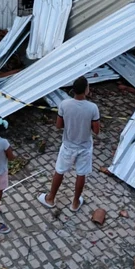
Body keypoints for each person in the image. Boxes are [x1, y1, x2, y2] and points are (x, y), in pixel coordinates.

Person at [38, 76, 100, 212]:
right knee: (81, 174)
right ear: (86, 90)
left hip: (68, 145)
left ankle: (51, 198)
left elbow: (59, 125)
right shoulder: (93, 108)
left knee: (59, 171)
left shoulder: (64, 104)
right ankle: (75, 203)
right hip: (84, 146)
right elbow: (96, 131)